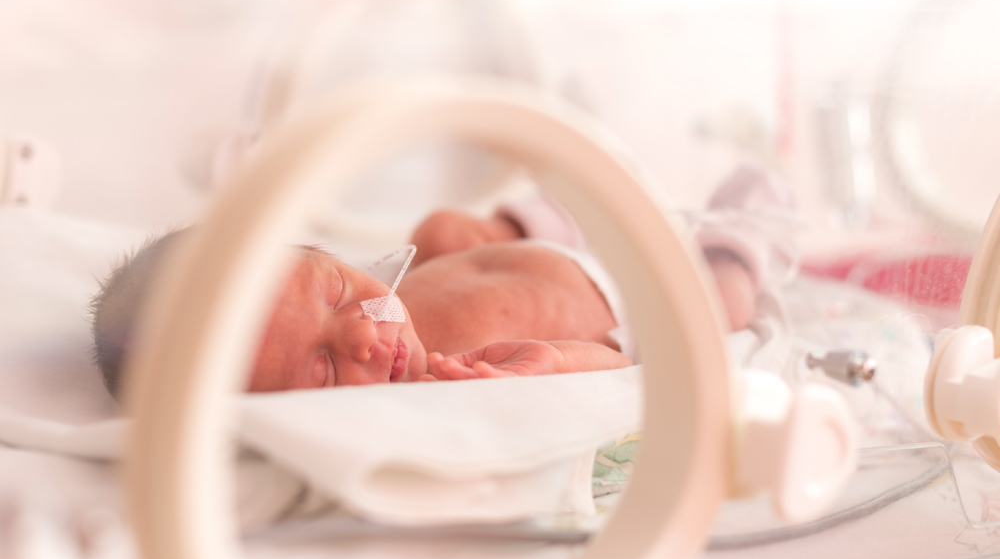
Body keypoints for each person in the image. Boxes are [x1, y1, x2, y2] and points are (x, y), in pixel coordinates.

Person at [91, 164, 795, 395]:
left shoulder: (380, 306)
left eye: (336, 291)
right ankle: (741, 235)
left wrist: (467, 244)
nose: (368, 335)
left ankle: (593, 204)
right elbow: (615, 370)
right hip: (638, 306)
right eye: (327, 371)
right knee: (719, 311)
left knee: (447, 233)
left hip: (552, 242)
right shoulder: (445, 382)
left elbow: (387, 285)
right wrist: (550, 365)